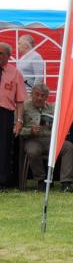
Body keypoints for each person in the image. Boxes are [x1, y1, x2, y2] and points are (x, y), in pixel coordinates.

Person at [20, 83, 73, 193]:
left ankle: (66, 183)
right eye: (37, 94)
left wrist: (55, 126)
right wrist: (30, 131)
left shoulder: (52, 108)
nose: (39, 98)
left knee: (68, 146)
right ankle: (41, 181)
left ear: (47, 97)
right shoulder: (24, 107)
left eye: (43, 96)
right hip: (32, 139)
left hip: (50, 139)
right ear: (31, 94)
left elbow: (62, 126)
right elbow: (16, 129)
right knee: (33, 150)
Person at [0, 42, 28, 192]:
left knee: (3, 148)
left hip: (5, 114)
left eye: (1, 53)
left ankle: (2, 182)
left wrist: (19, 120)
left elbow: (20, 100)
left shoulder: (15, 73)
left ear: (8, 56)